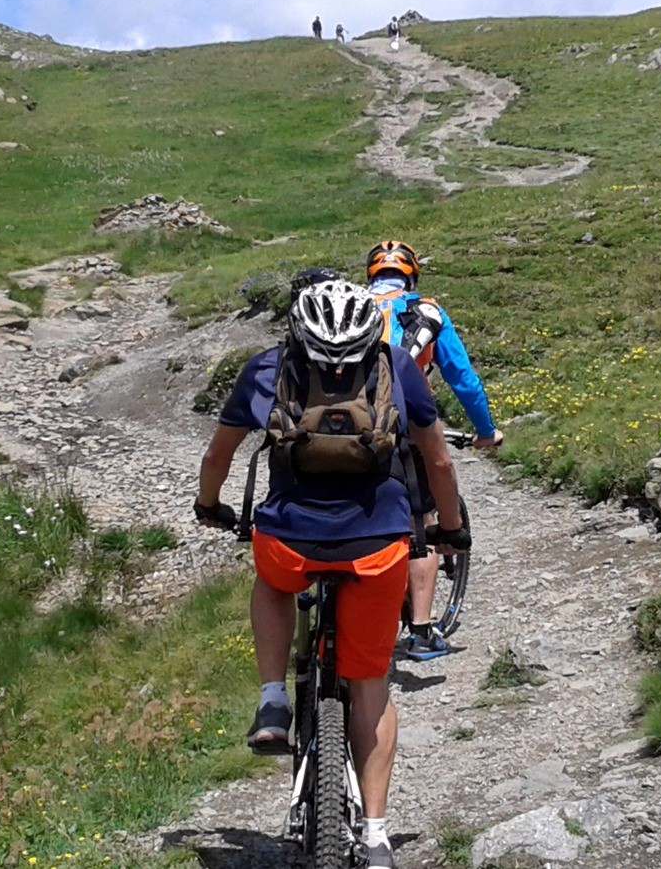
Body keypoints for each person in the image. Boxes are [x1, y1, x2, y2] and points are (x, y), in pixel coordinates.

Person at [196, 274, 469, 869]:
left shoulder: (265, 369)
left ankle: (273, 700)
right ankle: (374, 837)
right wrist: (450, 529)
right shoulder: (398, 366)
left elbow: (218, 455)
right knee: (370, 683)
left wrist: (208, 505)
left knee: (271, 580)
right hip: (378, 551)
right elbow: (439, 461)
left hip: (290, 542)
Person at [365, 240, 504, 661]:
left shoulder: (349, 309)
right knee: (421, 521)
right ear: (412, 275)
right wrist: (486, 430)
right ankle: (421, 632)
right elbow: (463, 380)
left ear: (370, 276)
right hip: (406, 422)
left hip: (345, 423)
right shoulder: (425, 312)